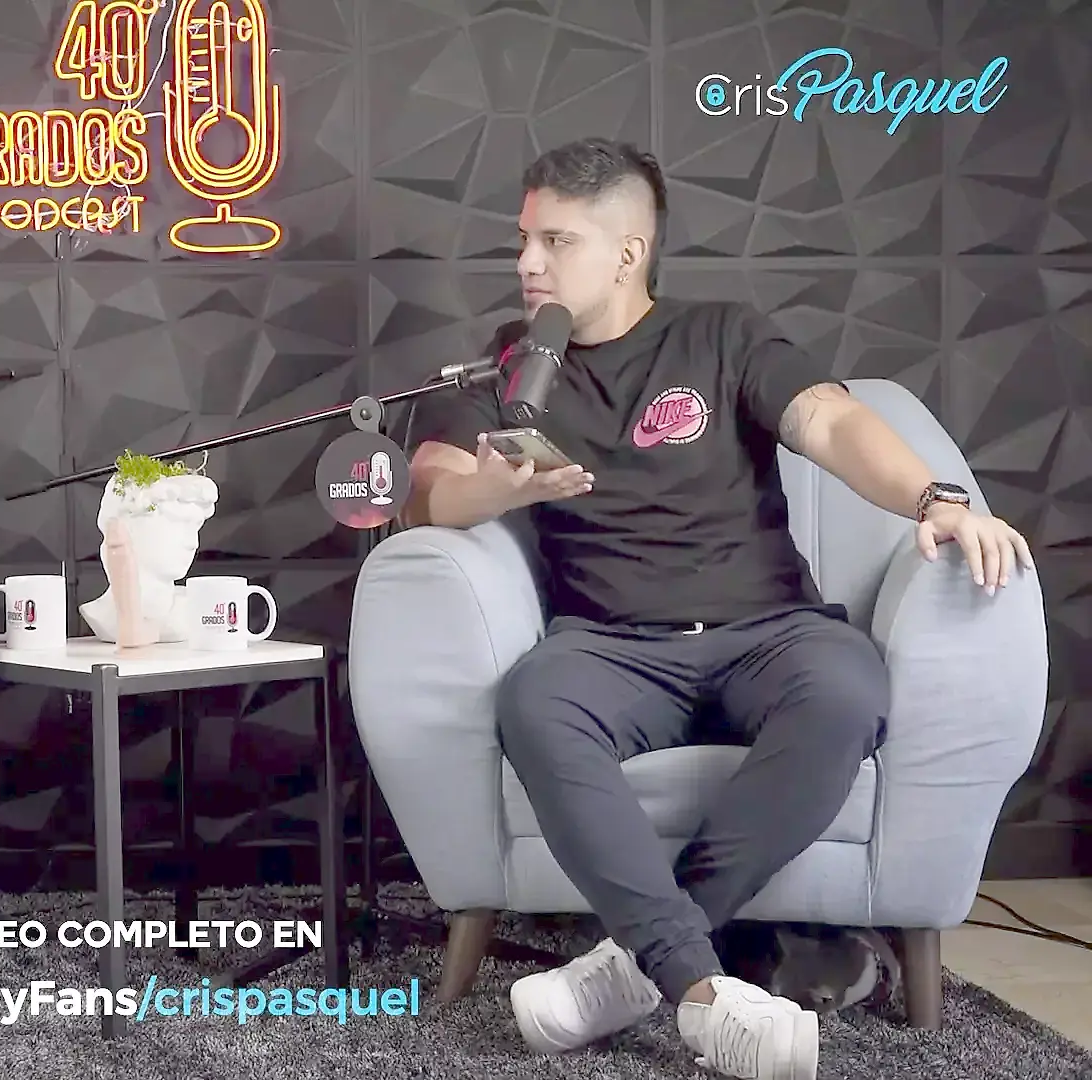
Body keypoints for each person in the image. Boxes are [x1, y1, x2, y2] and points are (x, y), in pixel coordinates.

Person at [401, 140, 1034, 1079]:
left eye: (556, 241)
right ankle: (700, 988)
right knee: (534, 702)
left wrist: (935, 499)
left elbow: (832, 421)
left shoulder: (723, 335)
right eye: (523, 239)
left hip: (768, 633)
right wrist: (491, 491)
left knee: (847, 691)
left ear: (627, 253)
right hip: (607, 648)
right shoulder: (511, 365)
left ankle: (632, 969)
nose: (527, 262)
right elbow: (427, 491)